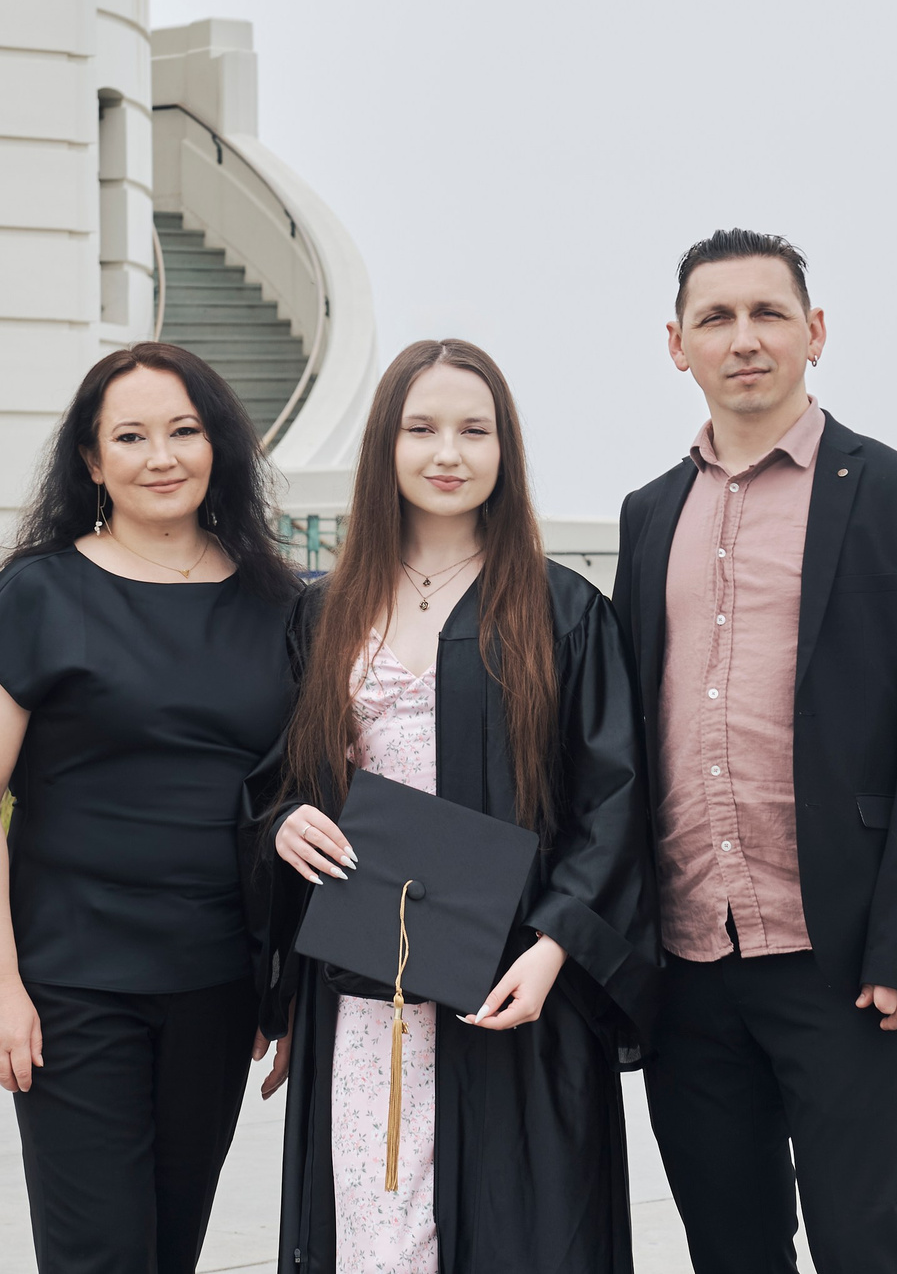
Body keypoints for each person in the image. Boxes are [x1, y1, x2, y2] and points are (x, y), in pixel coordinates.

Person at [613, 230, 897, 1274]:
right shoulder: (650, 516)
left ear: (814, 332)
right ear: (676, 344)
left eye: (768, 313)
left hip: (845, 959)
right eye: (716, 318)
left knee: (864, 1239)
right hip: (687, 961)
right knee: (729, 1246)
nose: (744, 339)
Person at [248, 338, 658, 1274]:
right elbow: (282, 780)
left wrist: (556, 948)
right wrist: (284, 825)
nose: (448, 451)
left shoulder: (561, 612)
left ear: (504, 449)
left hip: (516, 977)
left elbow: (614, 800)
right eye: (421, 427)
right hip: (368, 985)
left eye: (475, 429)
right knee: (376, 1219)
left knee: (523, 1226)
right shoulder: (326, 612)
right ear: (384, 447)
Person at [0, 341, 300, 1274]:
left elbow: (301, 797)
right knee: (100, 1254)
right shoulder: (38, 594)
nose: (162, 455)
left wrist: (290, 986)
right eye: (130, 436)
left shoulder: (278, 601)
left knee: (169, 1250)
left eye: (183, 430)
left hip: (219, 985)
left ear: (218, 445)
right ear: (93, 462)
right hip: (72, 984)